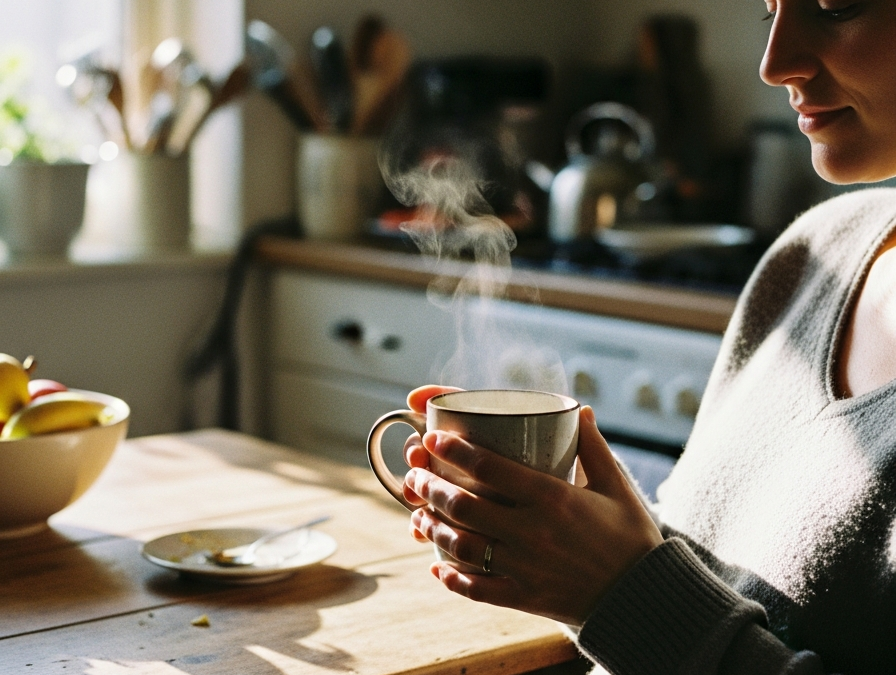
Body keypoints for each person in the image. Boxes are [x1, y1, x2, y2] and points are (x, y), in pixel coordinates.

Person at [398, 1, 896, 673]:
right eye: (769, 10)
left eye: (836, 5)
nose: (774, 64)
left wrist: (621, 590)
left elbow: (658, 612)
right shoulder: (814, 256)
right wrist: (576, 540)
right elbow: (710, 591)